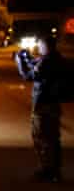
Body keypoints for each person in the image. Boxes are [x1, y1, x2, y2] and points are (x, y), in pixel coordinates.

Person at [15, 35, 66, 182]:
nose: (39, 48)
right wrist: (27, 58)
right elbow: (35, 64)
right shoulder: (58, 60)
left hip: (43, 105)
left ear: (45, 46)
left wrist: (20, 61)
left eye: (40, 45)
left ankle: (48, 171)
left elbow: (29, 75)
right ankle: (54, 170)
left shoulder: (47, 61)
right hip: (54, 104)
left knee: (42, 138)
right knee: (53, 139)